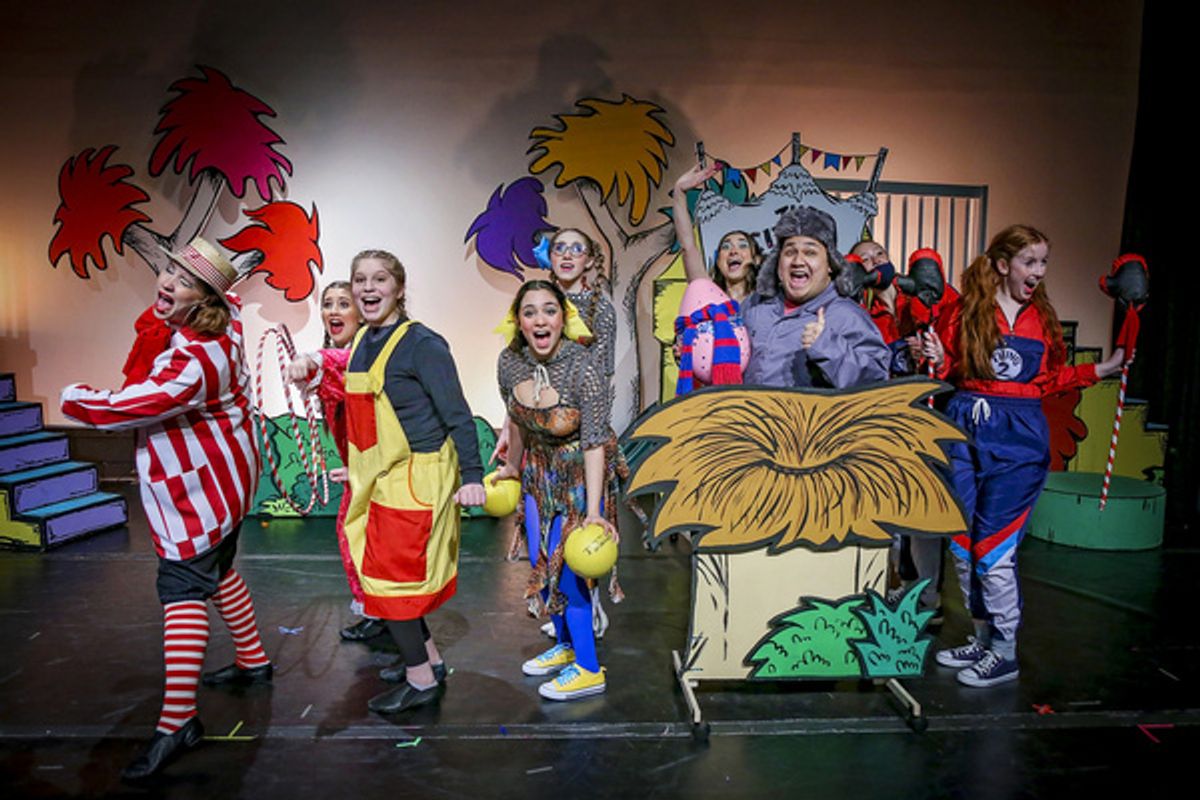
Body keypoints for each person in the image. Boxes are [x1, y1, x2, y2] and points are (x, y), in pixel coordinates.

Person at [61, 237, 270, 780]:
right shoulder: (225, 324)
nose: (167, 282)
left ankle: (178, 723)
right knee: (219, 567)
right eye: (169, 272)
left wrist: (73, 396)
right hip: (228, 477)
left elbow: (133, 407)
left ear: (204, 298)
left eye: (182, 280)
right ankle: (254, 660)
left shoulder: (196, 358)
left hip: (198, 488)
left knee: (182, 587)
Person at [917, 225, 1126, 687]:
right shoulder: (965, 311)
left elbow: (1047, 380)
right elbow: (949, 369)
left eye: (1043, 262)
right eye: (1030, 261)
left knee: (994, 548)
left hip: (1019, 438)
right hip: (963, 428)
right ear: (1002, 264)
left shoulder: (1042, 320)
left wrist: (1100, 369)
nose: (1038, 272)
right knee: (961, 542)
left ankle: (1006, 650)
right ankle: (981, 636)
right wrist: (935, 355)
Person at [337, 249, 485, 713]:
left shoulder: (423, 344)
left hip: (417, 476)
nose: (367, 288)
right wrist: (357, 467)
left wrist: (474, 475)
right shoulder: (364, 339)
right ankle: (429, 661)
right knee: (382, 578)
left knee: (390, 584)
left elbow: (457, 415)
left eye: (379, 279)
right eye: (360, 280)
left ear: (399, 288)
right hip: (381, 477)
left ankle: (420, 682)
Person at [491, 279, 622, 701]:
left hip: (581, 475)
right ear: (520, 321)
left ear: (563, 318)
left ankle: (588, 668)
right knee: (541, 565)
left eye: (549, 309)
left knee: (569, 573)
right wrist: (512, 465)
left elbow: (595, 441)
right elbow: (515, 416)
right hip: (537, 476)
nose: (540, 319)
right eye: (530, 312)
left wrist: (596, 510)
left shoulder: (584, 364)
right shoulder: (510, 363)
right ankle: (565, 646)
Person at [288, 282, 380, 643]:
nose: (334, 311)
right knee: (352, 536)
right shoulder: (339, 356)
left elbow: (345, 366)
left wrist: (313, 361)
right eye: (328, 304)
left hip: (380, 469)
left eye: (345, 304)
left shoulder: (364, 354)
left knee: (366, 540)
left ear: (360, 313)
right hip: (357, 470)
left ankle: (392, 618)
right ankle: (376, 610)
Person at [742, 206, 890, 389]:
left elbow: (877, 381)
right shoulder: (754, 307)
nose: (797, 261)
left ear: (830, 264)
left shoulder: (847, 315)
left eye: (810, 252)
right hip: (750, 416)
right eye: (789, 252)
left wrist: (828, 346)